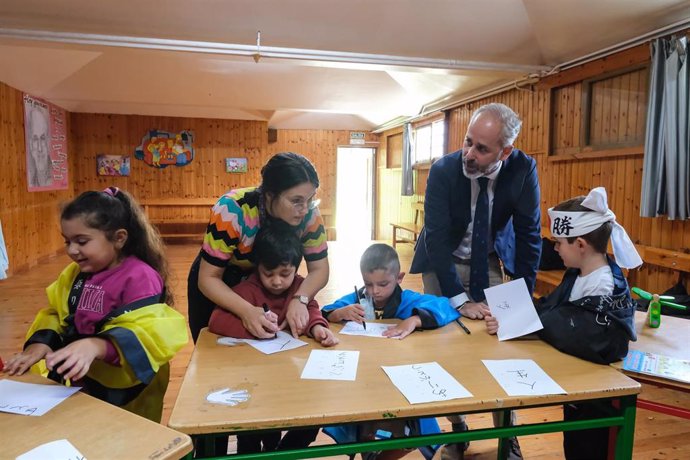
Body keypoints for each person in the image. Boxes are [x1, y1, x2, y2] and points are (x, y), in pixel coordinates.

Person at [410, 103, 541, 459]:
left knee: (501, 348)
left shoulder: (523, 169)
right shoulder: (442, 170)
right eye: (468, 142)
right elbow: (436, 238)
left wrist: (521, 301)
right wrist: (459, 299)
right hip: (442, 263)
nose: (470, 153)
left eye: (482, 149)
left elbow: (530, 236)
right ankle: (457, 425)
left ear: (505, 151)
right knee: (446, 347)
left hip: (489, 260)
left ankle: (506, 433)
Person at [4, 187, 188, 422]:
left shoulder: (139, 277)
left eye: (82, 241)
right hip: (84, 381)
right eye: (67, 241)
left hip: (131, 392)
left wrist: (96, 346)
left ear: (119, 238)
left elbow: (151, 332)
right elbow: (55, 312)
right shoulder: (75, 274)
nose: (71, 250)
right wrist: (41, 344)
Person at [486, 187, 641, 459]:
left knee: (588, 450)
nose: (554, 248)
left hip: (596, 395)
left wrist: (526, 321)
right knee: (574, 446)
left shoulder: (606, 286)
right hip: (575, 386)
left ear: (580, 245)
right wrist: (508, 317)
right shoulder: (579, 273)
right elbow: (552, 307)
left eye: (559, 242)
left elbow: (578, 332)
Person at [322, 243, 460, 460]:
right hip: (365, 380)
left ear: (399, 278)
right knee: (362, 424)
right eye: (368, 284)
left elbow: (445, 306)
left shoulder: (408, 300)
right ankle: (368, 452)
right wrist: (338, 313)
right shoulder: (358, 299)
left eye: (383, 284)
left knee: (411, 431)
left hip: (401, 380)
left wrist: (414, 319)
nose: (375, 291)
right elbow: (327, 310)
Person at [208, 222, 337, 454]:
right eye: (269, 274)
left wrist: (317, 328)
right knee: (252, 435)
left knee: (309, 424)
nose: (277, 281)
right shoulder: (248, 290)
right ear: (258, 268)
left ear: (296, 268)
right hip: (253, 382)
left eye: (285, 274)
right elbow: (216, 321)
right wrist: (252, 327)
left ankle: (279, 453)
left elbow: (313, 309)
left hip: (290, 380)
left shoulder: (299, 288)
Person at [188, 152, 329, 343]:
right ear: (270, 194)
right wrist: (246, 311)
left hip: (266, 279)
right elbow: (208, 279)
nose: (305, 209)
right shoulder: (233, 208)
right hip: (222, 280)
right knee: (214, 348)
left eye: (310, 199)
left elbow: (320, 269)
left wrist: (300, 299)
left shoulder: (309, 214)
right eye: (296, 201)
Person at [26, 105, 53, 188]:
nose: (40, 148)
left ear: (48, 142)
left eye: (43, 138)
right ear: (30, 144)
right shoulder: (32, 180)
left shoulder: (54, 174)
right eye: (35, 139)